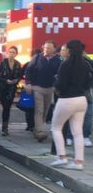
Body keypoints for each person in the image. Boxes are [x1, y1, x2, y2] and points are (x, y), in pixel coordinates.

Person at [49, 40, 92, 171]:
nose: (64, 50)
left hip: (66, 99)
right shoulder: (85, 64)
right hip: (81, 99)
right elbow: (89, 82)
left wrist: (56, 88)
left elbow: (60, 84)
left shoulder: (65, 64)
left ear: (70, 51)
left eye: (66, 48)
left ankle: (62, 157)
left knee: (56, 128)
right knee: (78, 133)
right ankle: (78, 161)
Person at [25, 40, 61, 142]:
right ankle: (40, 132)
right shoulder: (37, 57)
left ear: (54, 49)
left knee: (45, 110)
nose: (46, 50)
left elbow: (60, 74)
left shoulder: (57, 60)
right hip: (37, 87)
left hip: (49, 88)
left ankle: (38, 130)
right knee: (39, 110)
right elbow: (28, 70)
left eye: (49, 48)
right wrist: (28, 83)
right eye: (45, 47)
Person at [0, 46, 22, 136]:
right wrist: (6, 81)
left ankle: (5, 128)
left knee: (7, 107)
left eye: (13, 52)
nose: (11, 54)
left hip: (12, 89)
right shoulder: (3, 63)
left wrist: (15, 81)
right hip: (2, 88)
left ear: (16, 54)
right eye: (10, 52)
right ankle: (4, 128)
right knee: (5, 106)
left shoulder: (17, 64)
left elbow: (19, 76)